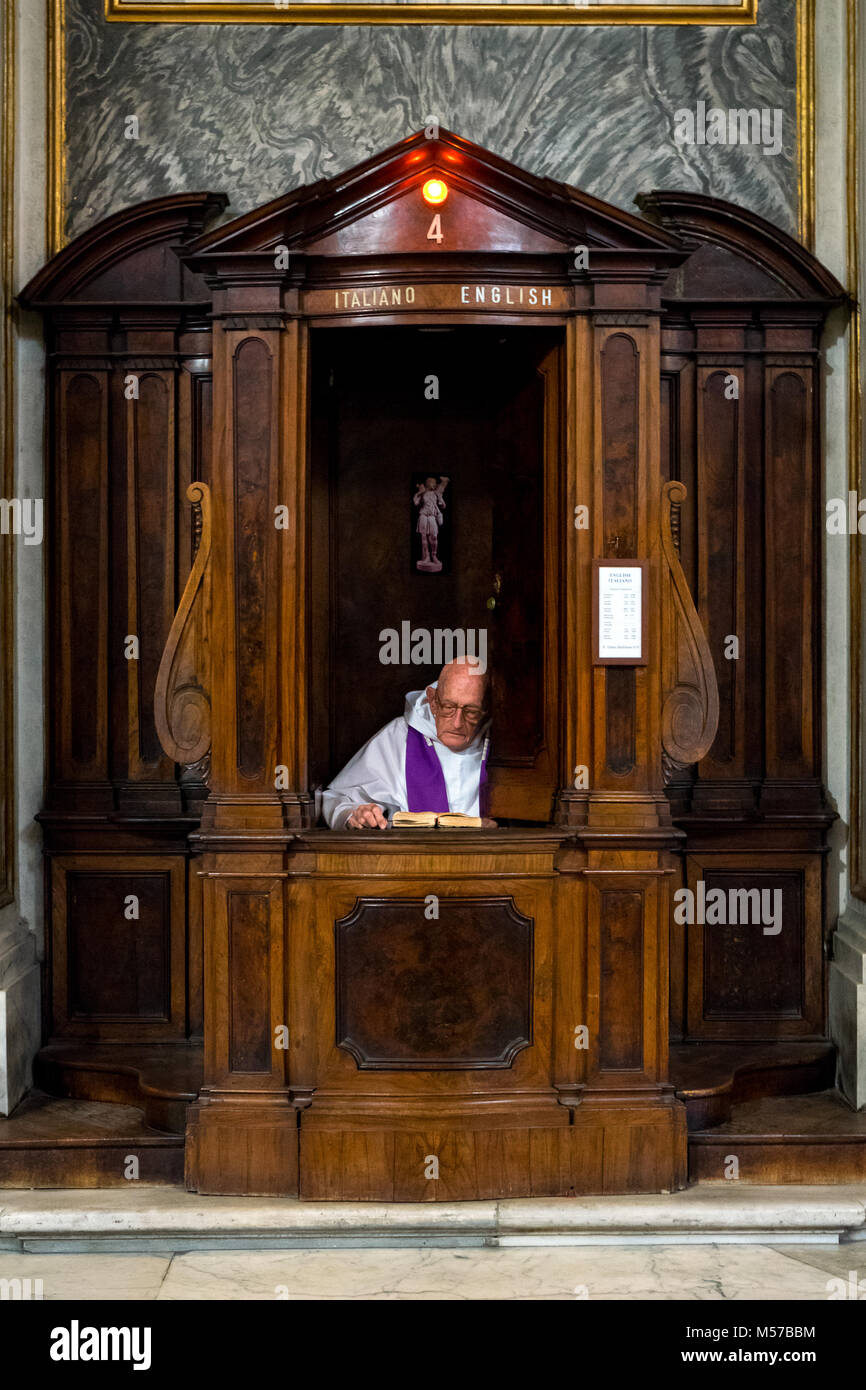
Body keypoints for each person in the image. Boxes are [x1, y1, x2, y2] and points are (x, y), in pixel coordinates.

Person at [321, 658, 493, 830]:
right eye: (448, 707)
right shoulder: (398, 737)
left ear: (486, 708)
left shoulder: (501, 743)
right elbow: (339, 798)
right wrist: (354, 813)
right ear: (433, 701)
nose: (457, 723)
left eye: (471, 711)